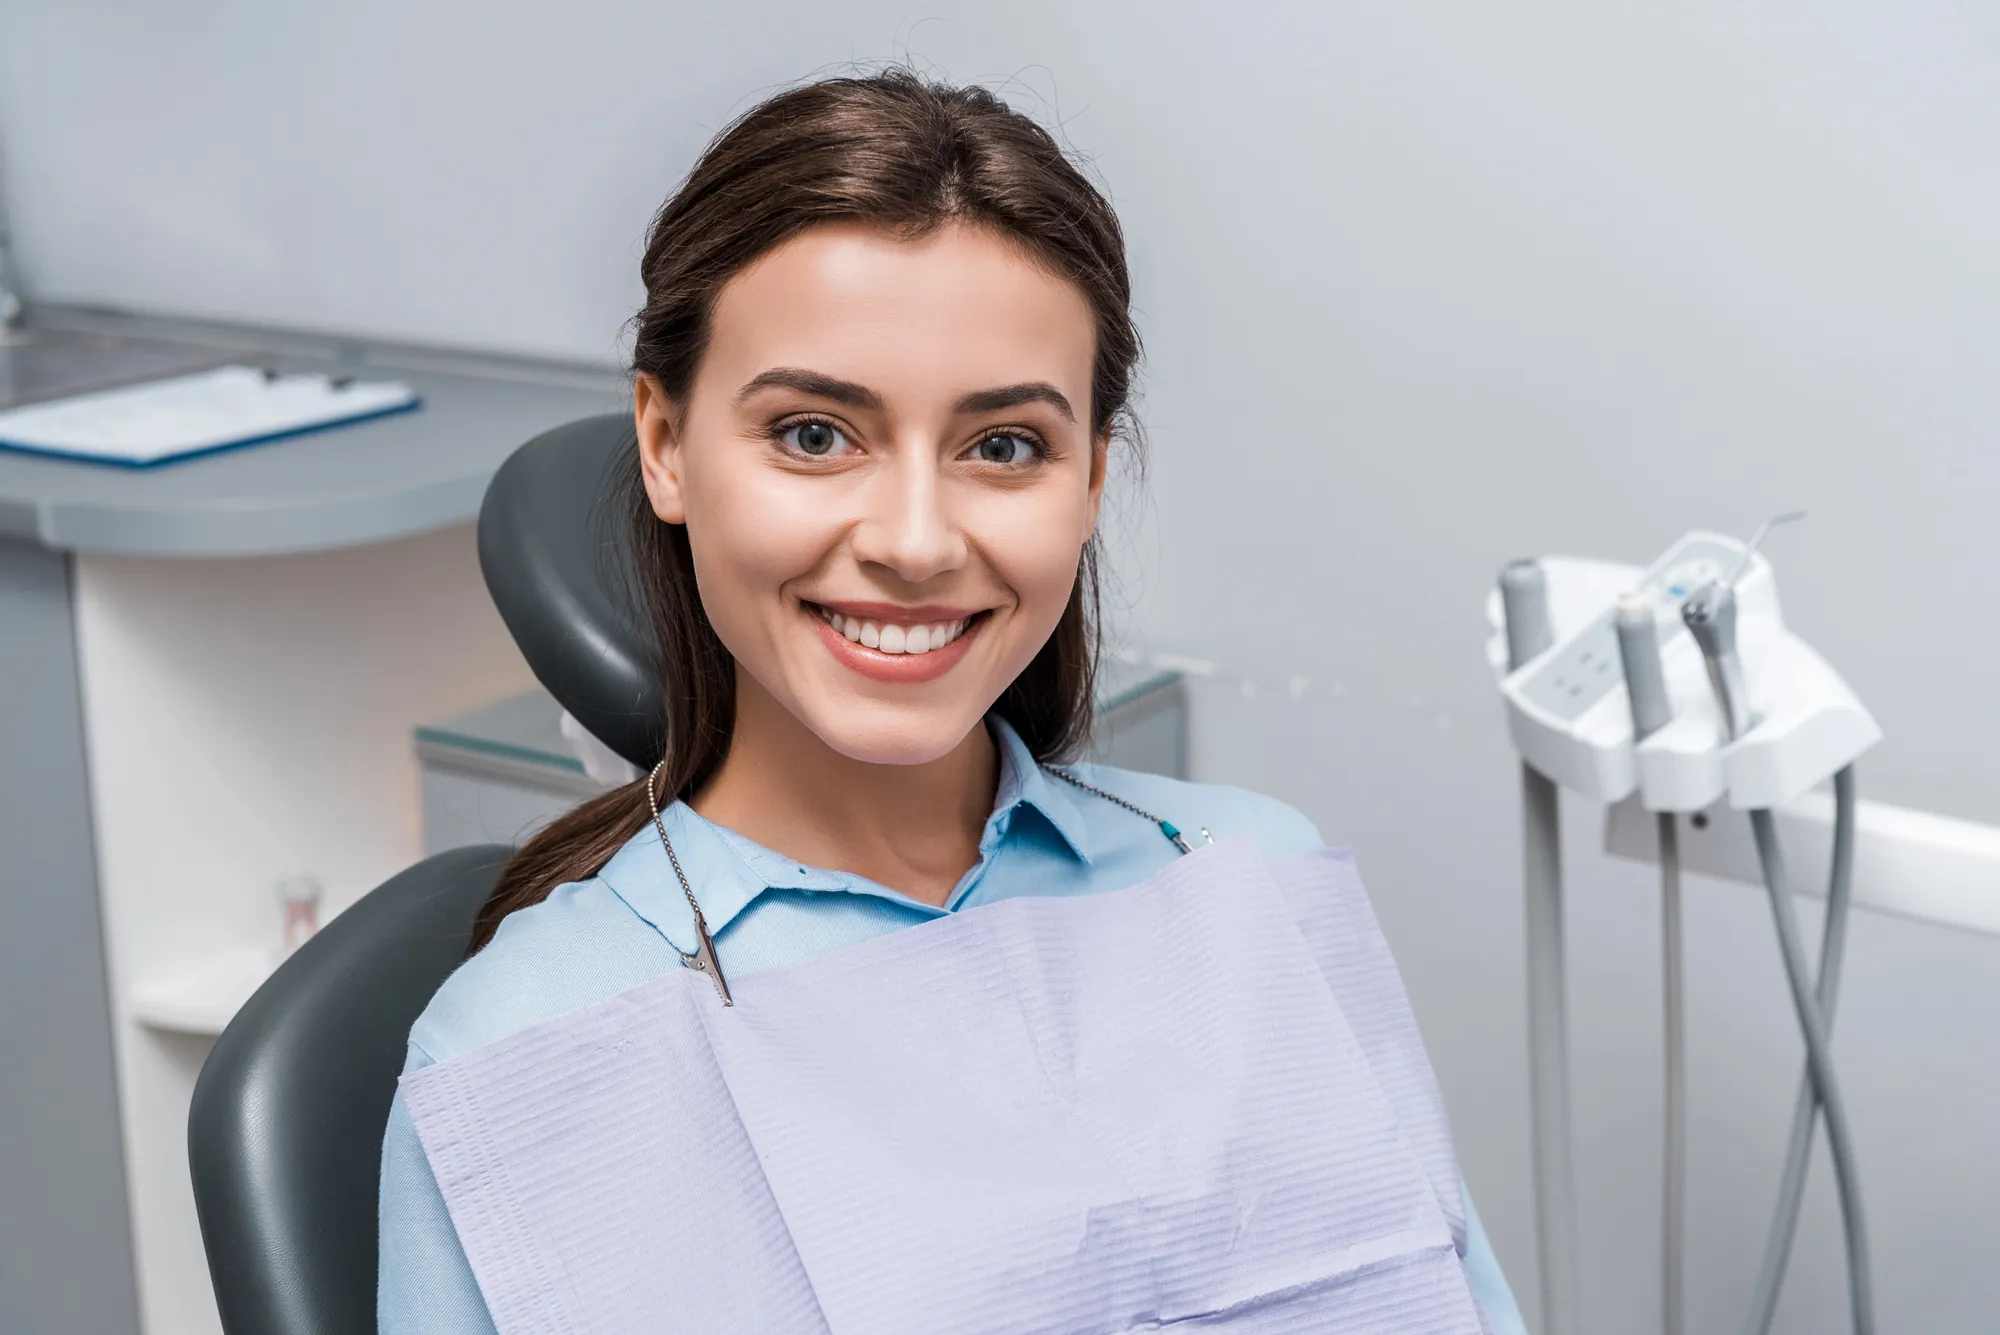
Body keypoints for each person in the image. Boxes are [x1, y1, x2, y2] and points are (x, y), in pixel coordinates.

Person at [378, 69, 1526, 1334]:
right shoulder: (528, 1043)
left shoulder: (1245, 878)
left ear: (1089, 479)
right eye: (814, 435)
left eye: (1003, 446)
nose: (916, 541)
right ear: (663, 444)